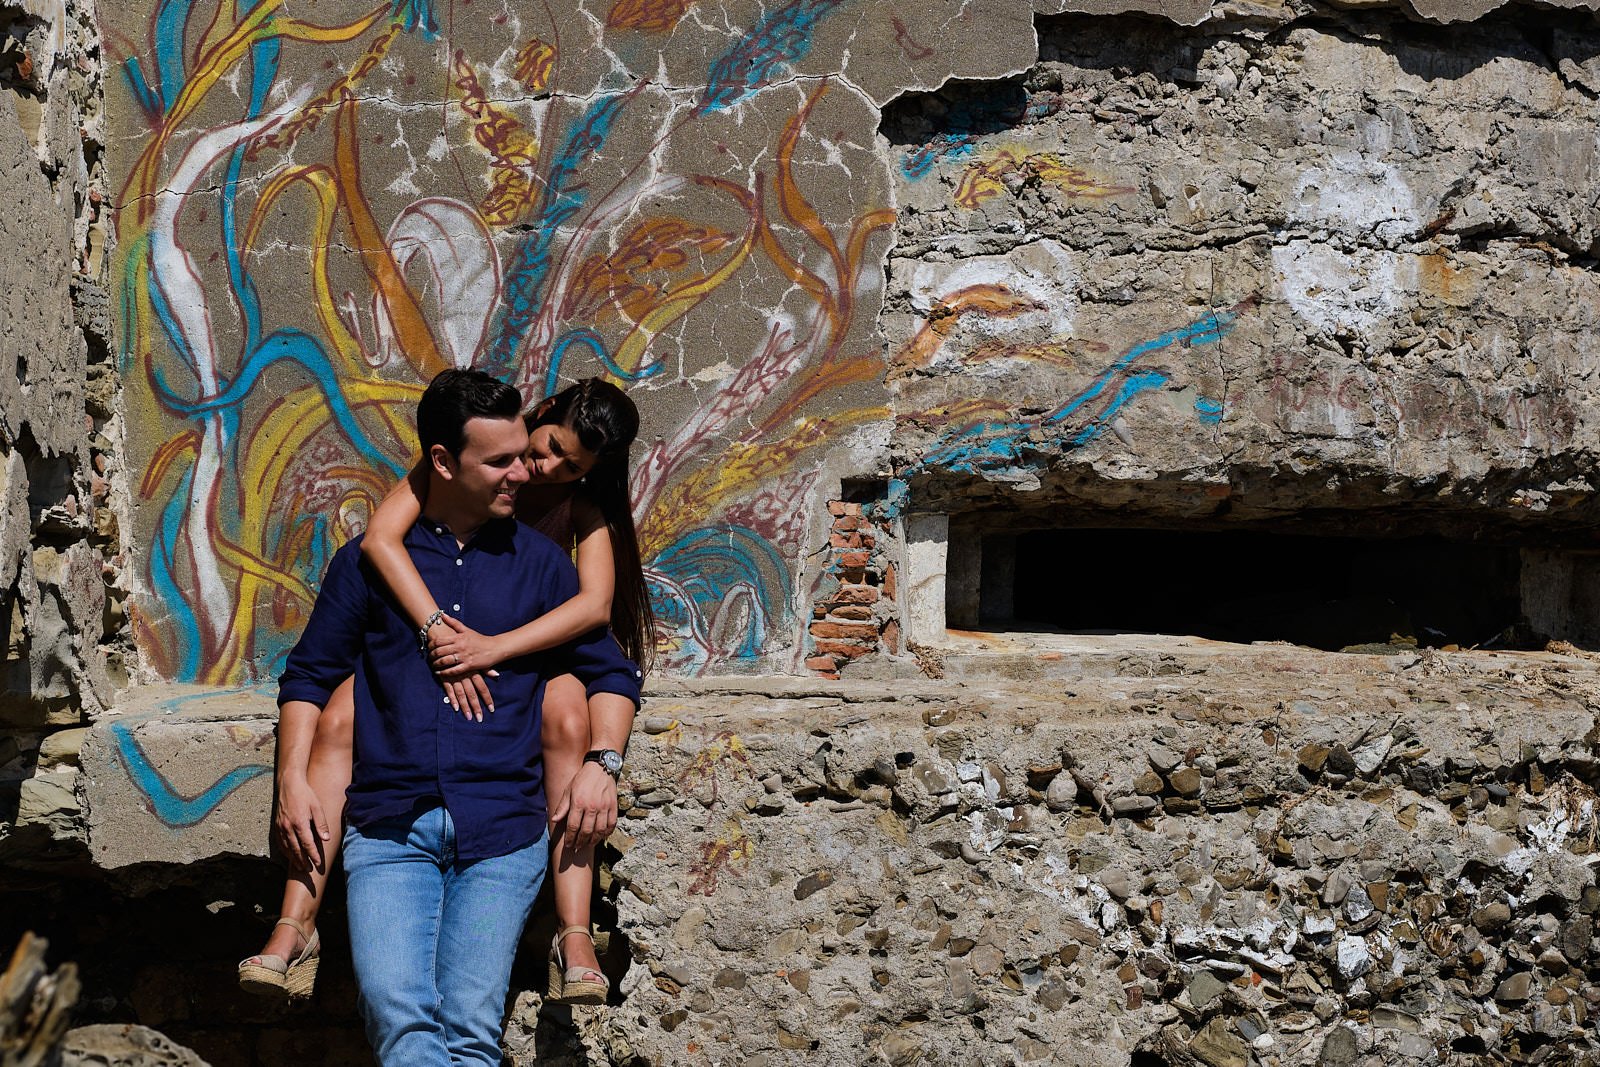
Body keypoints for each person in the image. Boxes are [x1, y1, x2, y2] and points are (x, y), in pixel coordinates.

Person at [268, 369, 641, 1064]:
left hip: (502, 829)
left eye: (527, 458)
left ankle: (574, 927)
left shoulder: (543, 565)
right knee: (396, 1011)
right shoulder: (374, 560)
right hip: (388, 825)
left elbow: (611, 666)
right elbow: (310, 673)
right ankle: (296, 921)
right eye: (504, 460)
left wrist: (602, 762)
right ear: (443, 461)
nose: (527, 473)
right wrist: (291, 776)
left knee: (469, 1027)